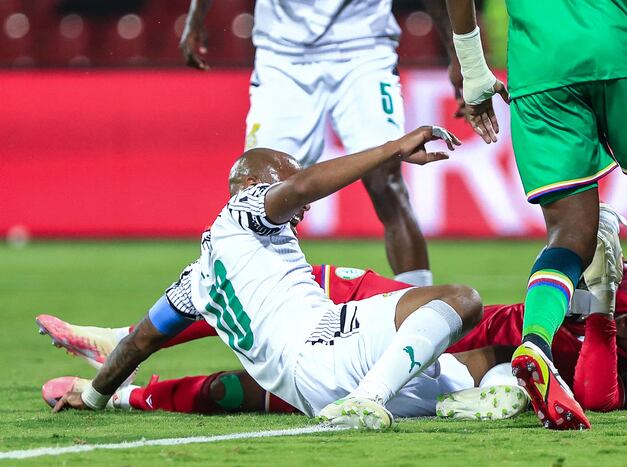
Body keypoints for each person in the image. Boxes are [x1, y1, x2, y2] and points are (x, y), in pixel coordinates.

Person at [40, 207, 627, 419]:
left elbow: (601, 393)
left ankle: (129, 389)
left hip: (453, 358)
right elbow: (606, 246)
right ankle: (125, 338)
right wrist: (607, 238)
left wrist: (598, 310)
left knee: (249, 391)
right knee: (301, 283)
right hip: (450, 330)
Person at [51, 127, 489, 430]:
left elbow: (138, 343)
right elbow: (303, 189)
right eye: (287, 178)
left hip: (308, 396)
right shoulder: (242, 212)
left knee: (468, 368)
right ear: (253, 185)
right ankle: (368, 399)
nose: (304, 203)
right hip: (325, 347)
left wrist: (93, 397)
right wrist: (393, 148)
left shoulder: (195, 282)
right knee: (462, 300)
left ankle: (482, 390)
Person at [444, 0, 627, 428]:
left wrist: (471, 63)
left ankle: (536, 343)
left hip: (541, 64)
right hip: (621, 48)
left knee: (567, 235)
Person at [180, 0, 464, 287]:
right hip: (282, 52)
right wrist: (196, 16)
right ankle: (255, 305)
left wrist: (458, 53)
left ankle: (423, 303)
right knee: (257, 196)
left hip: (364, 47)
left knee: (386, 179)